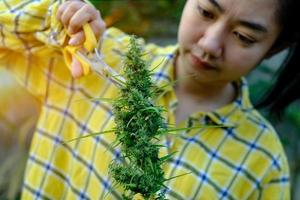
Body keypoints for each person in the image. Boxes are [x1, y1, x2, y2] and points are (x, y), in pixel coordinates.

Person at [0, 0, 298, 199]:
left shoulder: (263, 162)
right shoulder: (99, 58)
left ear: (273, 48)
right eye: (206, 12)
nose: (209, 44)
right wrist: (55, 18)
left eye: (243, 37)